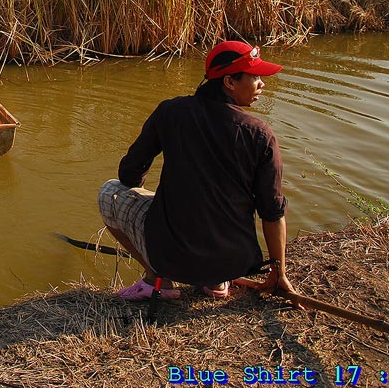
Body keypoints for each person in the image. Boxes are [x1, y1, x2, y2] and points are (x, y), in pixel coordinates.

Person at [98, 40, 295, 301]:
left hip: (172, 256)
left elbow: (129, 175)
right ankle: (216, 282)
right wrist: (279, 273)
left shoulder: (170, 112)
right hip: (232, 261)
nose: (262, 84)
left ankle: (156, 278)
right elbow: (272, 211)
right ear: (229, 82)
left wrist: (156, 195)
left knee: (109, 192)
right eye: (255, 76)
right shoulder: (261, 134)